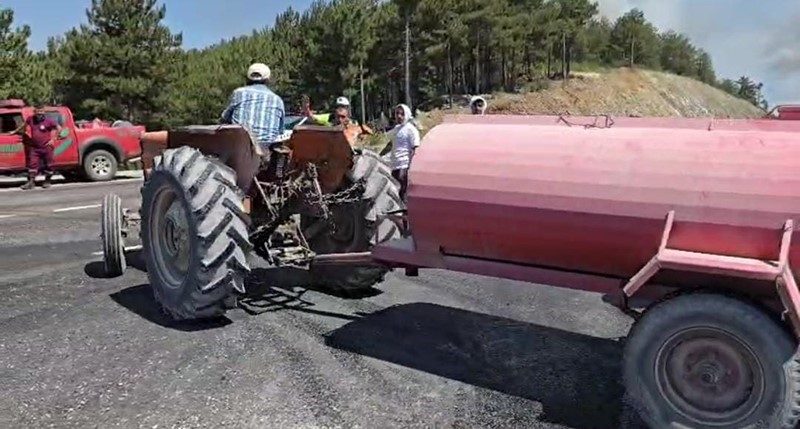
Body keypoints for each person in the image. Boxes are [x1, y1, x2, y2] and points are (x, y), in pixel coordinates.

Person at [220, 63, 285, 149]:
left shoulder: (239, 93)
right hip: (266, 149)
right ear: (268, 79)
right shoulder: (277, 100)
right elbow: (280, 130)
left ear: (247, 78)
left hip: (240, 146)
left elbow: (224, 118)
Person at [380, 104, 420, 200]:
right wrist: (379, 156)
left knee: (404, 189)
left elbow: (415, 147)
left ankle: (406, 210)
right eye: (397, 113)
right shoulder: (396, 129)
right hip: (395, 165)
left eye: (402, 114)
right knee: (396, 190)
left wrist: (411, 165)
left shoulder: (411, 129)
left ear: (406, 114)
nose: (399, 116)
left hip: (405, 164)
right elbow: (391, 145)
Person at [19, 108, 61, 190]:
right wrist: (23, 132)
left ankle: (47, 181)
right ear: (35, 113)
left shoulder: (48, 121)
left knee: (49, 165)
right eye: (38, 113)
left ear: (44, 113)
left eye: (42, 113)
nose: (40, 115)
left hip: (46, 147)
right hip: (35, 148)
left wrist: (53, 139)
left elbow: (59, 128)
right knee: (32, 164)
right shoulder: (31, 119)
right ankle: (31, 182)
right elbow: (24, 126)